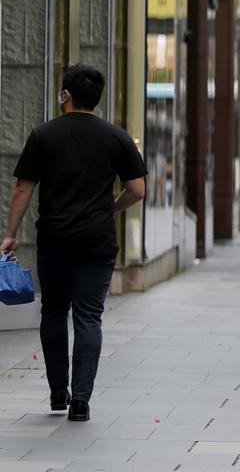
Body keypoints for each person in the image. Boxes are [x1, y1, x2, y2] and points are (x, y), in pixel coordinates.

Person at [2, 64, 146, 421]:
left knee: (53, 311)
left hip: (54, 239)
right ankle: (81, 400)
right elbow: (137, 190)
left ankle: (56, 392)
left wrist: (10, 234)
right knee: (89, 317)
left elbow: (23, 189)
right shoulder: (116, 138)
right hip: (96, 242)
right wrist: (110, 210)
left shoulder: (43, 135)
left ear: (66, 95)